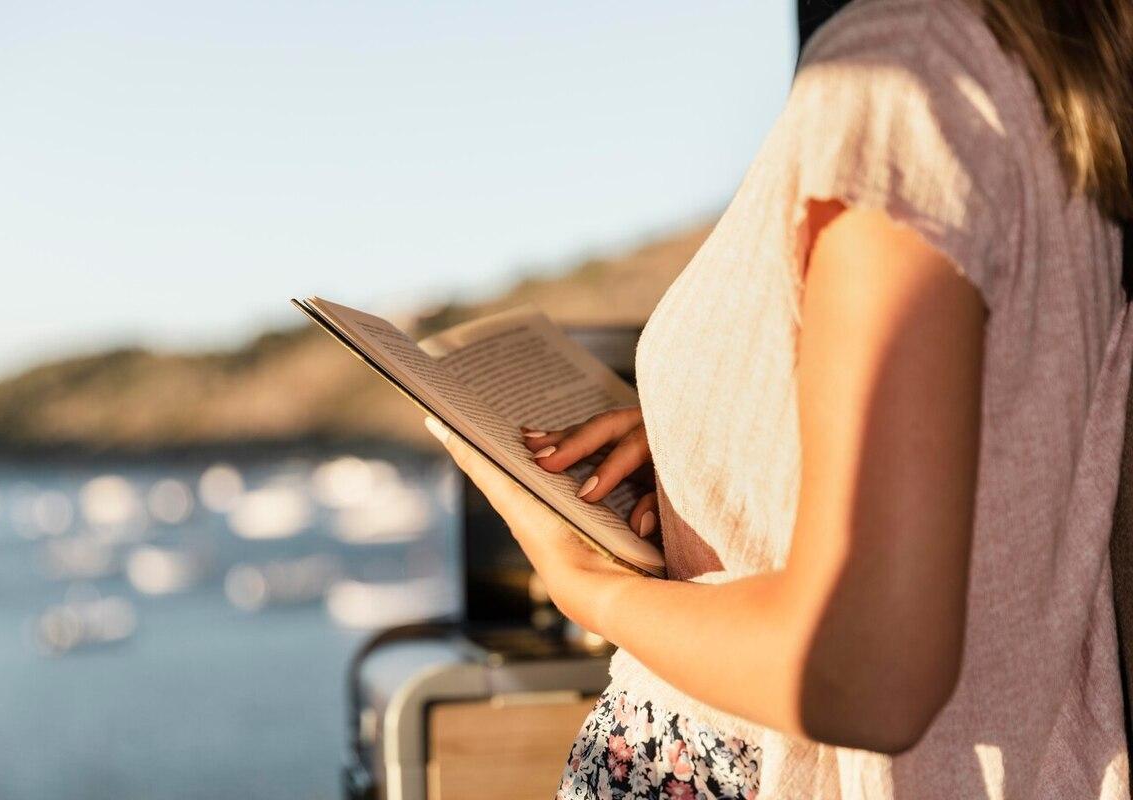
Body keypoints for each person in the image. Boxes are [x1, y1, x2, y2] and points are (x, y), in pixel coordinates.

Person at [425, 0, 1133, 795]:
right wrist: (721, 433)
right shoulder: (1048, 80)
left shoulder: (900, 74)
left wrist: (591, 587)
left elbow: (867, 666)